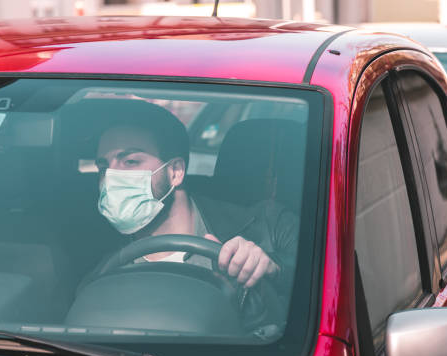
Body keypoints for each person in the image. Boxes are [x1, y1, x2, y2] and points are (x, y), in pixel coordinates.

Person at [93, 100, 297, 290]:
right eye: (103, 167)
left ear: (175, 172)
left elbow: (315, 280)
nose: (111, 176)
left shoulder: (268, 226)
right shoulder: (101, 265)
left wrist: (272, 268)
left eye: (130, 162)